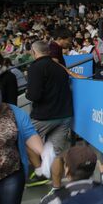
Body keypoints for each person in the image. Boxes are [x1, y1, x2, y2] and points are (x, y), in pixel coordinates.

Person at [26, 40, 74, 184]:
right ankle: (57, 187)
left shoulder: (35, 68)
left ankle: (40, 171)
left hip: (43, 116)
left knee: (27, 142)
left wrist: (28, 94)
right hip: (64, 115)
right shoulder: (59, 67)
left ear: (34, 52)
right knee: (57, 154)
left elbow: (34, 95)